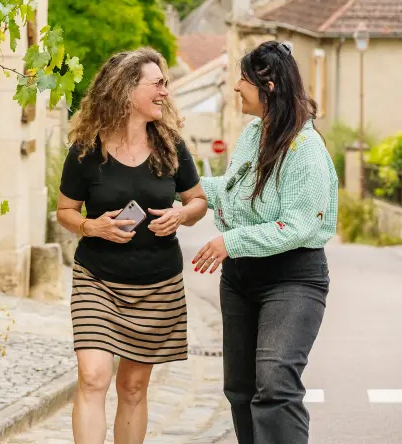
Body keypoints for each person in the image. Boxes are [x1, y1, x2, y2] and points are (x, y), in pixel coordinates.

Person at [57, 47, 208, 444]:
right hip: (97, 280)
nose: (165, 92)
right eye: (157, 84)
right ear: (126, 90)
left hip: (157, 285)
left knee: (133, 387)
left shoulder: (171, 146)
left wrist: (181, 215)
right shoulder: (87, 150)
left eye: (165, 84)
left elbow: (198, 201)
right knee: (93, 377)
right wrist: (90, 226)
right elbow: (65, 211)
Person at [193, 40, 338, 444]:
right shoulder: (254, 133)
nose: (236, 87)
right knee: (240, 389)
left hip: (292, 279)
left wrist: (230, 242)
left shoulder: (306, 150)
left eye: (243, 79)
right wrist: (176, 184)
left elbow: (296, 226)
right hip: (240, 280)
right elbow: (230, 191)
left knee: (275, 384)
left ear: (268, 86)